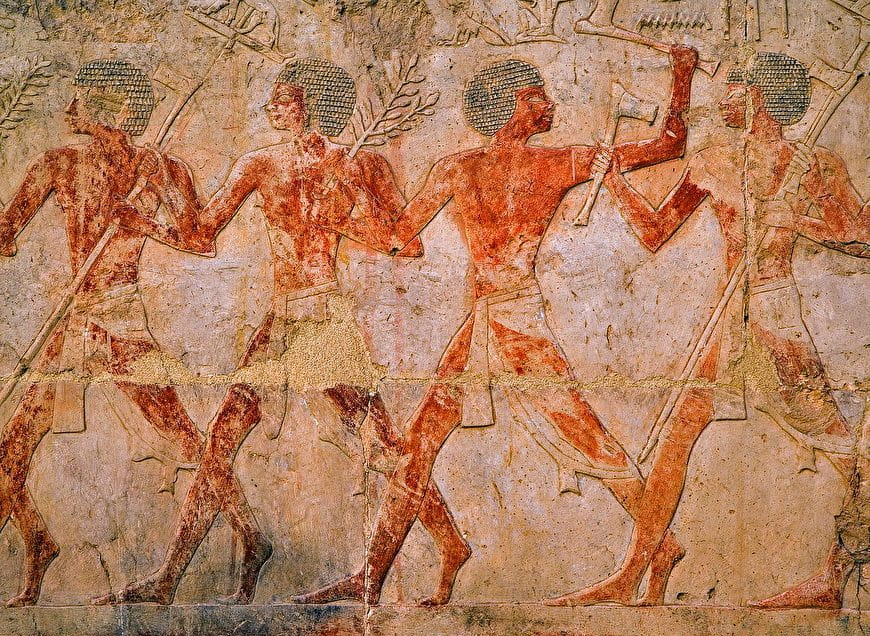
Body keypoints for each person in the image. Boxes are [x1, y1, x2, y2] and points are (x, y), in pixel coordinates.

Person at [295, 46, 700, 605]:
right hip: (489, 323)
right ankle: (372, 578)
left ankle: (662, 543)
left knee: (587, 439)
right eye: (536, 96)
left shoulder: (481, 166)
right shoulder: (541, 163)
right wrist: (681, 76)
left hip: (515, 322)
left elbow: (393, 237)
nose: (549, 104)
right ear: (510, 105)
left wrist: (344, 214)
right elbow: (398, 239)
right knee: (419, 445)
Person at [97, 59, 470, 606]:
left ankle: (449, 543)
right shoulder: (259, 164)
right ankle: (169, 577)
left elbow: (406, 243)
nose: (271, 104)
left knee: (384, 447)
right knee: (222, 439)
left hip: (323, 319)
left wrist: (347, 220)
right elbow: (201, 235)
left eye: (284, 97)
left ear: (311, 105)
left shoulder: (360, 164)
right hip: (280, 320)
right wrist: (149, 216)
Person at [553, 51, 868, 607]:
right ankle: (635, 572)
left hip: (772, 316)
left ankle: (835, 576)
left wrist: (797, 220)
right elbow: (656, 229)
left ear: (760, 97)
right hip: (727, 320)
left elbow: (860, 235)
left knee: (840, 447)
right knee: (678, 435)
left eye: (737, 87)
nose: (724, 98)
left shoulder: (814, 163)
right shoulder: (718, 160)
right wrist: (615, 182)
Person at [0, 59, 263, 607]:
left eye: (81, 96)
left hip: (122, 322)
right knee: (14, 445)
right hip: (75, 323)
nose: (69, 108)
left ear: (113, 107)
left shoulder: (162, 169)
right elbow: (7, 228)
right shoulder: (61, 163)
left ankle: (249, 534)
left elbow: (201, 241)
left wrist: (145, 225)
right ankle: (37, 541)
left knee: (186, 440)